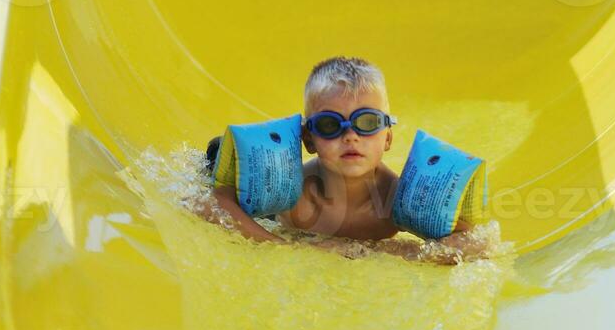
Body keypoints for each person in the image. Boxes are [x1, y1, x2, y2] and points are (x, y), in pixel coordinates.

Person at [207, 56, 486, 261]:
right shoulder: (294, 193)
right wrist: (286, 246)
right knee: (217, 162)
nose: (351, 135)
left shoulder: (396, 204)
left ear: (388, 138)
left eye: (367, 122)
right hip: (272, 214)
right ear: (309, 140)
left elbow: (477, 244)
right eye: (330, 125)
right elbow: (209, 204)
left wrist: (392, 252)